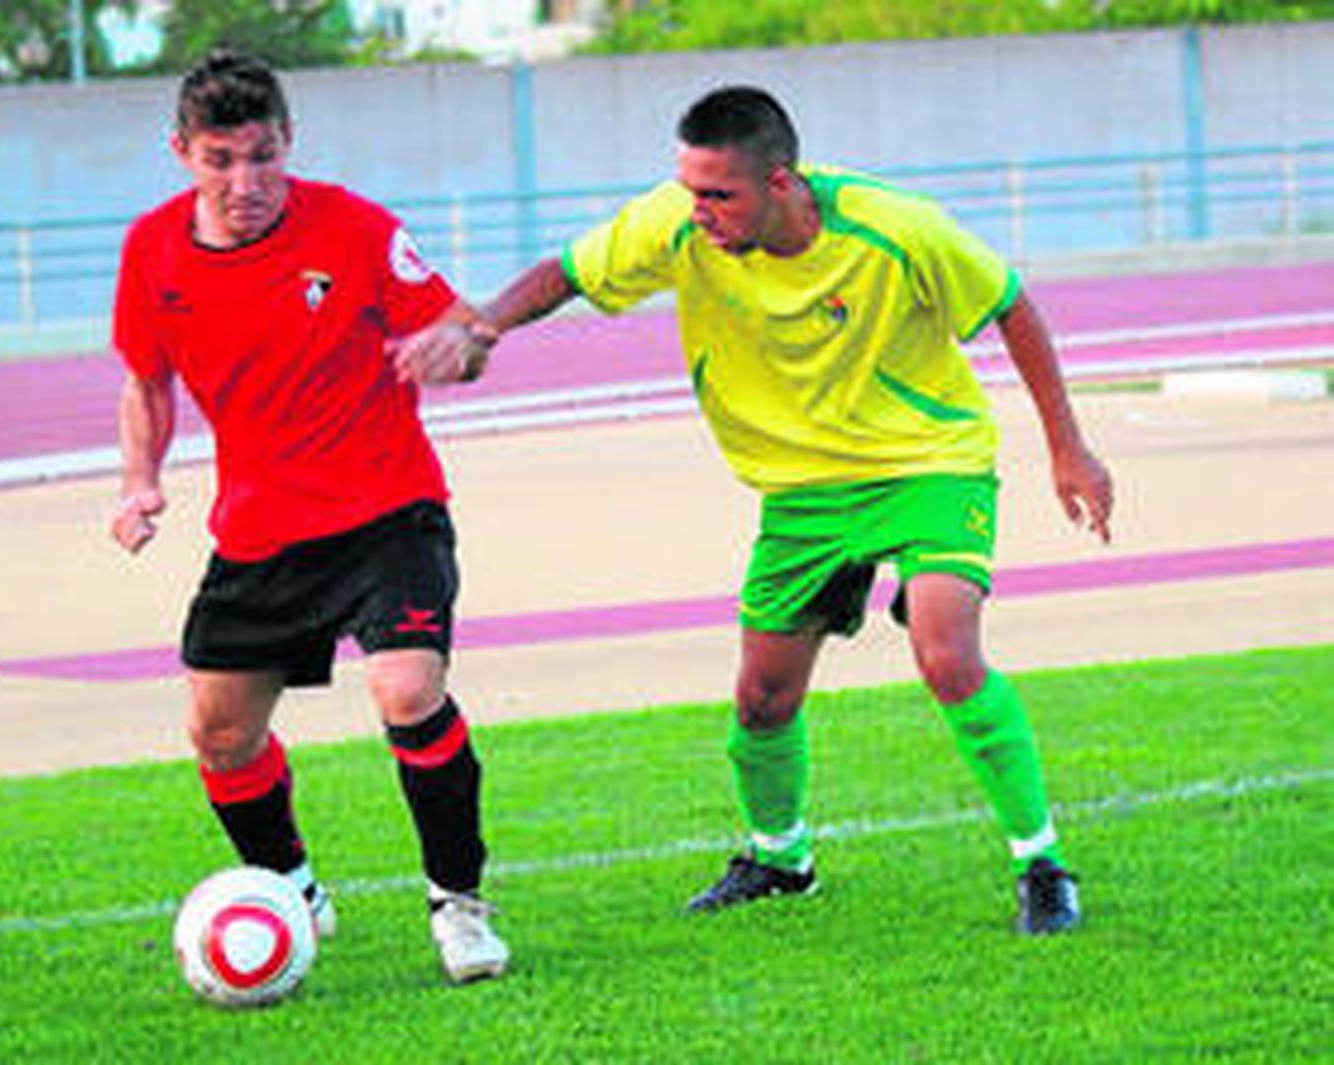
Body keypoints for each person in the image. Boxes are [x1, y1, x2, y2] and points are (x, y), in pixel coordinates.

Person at [395, 86, 1112, 935]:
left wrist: (1069, 445)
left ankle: (1042, 865)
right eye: (690, 190)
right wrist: (481, 326)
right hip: (800, 491)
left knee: (945, 650)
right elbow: (566, 274)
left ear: (780, 183)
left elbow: (1012, 308)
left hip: (927, 464)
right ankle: (781, 857)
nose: (697, 213)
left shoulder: (898, 227)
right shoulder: (677, 221)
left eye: (718, 195)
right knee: (762, 698)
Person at [109, 48, 507, 982]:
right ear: (182, 154)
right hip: (260, 532)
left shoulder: (356, 227)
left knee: (408, 691)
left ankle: (460, 904)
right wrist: (139, 478)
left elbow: (464, 326)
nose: (245, 181)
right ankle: (290, 886)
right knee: (219, 735)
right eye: (221, 159)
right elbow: (147, 380)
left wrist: (462, 348)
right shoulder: (152, 251)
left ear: (289, 143)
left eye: (262, 156)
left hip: (388, 512)